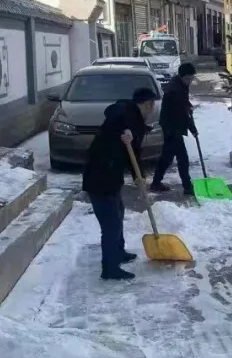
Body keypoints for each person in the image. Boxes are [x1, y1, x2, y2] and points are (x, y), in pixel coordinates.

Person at [82, 86, 157, 281]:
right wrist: (124, 128)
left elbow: (135, 152)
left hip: (112, 177)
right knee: (111, 225)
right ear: (148, 105)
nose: (154, 109)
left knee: (119, 213)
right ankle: (109, 268)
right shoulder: (125, 114)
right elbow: (113, 111)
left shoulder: (135, 120)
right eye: (153, 105)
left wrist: (138, 176)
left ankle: (119, 252)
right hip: (99, 178)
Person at [150, 62, 198, 196]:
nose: (190, 81)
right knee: (182, 158)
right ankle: (187, 187)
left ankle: (156, 183)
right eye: (188, 78)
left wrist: (188, 105)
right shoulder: (175, 90)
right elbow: (181, 114)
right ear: (181, 76)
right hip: (172, 128)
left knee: (167, 157)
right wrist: (192, 128)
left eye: (192, 78)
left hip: (171, 126)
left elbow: (184, 105)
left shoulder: (180, 85)